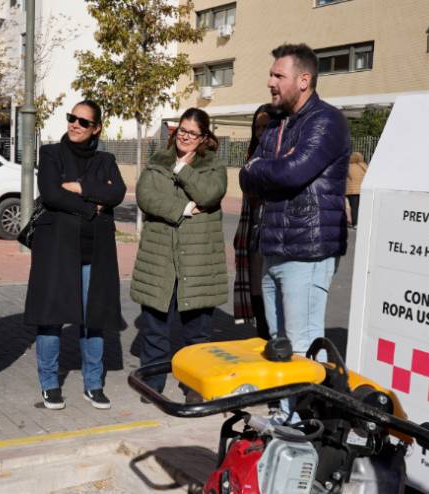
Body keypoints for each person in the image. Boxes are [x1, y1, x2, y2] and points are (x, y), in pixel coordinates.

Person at [240, 43, 350, 357]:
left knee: (304, 346)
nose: (270, 82)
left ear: (304, 80)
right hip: (272, 249)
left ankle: (309, 392)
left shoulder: (326, 120)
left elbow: (292, 173)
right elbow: (246, 177)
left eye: (278, 76)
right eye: (270, 75)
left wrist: (262, 168)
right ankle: (288, 394)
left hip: (306, 252)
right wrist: (266, 167)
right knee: (278, 345)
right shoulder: (276, 124)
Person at [24, 100, 126, 411]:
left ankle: (93, 384)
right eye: (72, 118)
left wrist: (80, 187)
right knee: (51, 317)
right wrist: (93, 205)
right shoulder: (51, 153)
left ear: (96, 128)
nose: (75, 124)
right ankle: (50, 384)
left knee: (93, 318)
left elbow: (117, 193)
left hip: (94, 250)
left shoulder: (106, 159)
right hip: (56, 248)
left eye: (83, 121)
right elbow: (52, 194)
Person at [131, 107, 228, 398]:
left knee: (197, 332)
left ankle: (194, 385)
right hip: (159, 259)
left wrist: (183, 170)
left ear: (204, 137)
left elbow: (209, 194)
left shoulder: (213, 167)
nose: (185, 137)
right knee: (155, 328)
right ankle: (153, 383)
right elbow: (145, 197)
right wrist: (184, 209)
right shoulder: (157, 162)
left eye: (192, 133)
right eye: (181, 130)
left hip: (198, 263)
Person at [233, 104, 278, 340]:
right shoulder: (251, 156)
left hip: (274, 236)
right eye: (257, 128)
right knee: (257, 293)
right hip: (252, 235)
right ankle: (263, 339)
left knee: (273, 295)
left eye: (265, 127)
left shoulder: (283, 155)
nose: (260, 133)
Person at [345, 151, 368, 228]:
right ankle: (361, 222)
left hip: (352, 190)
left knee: (353, 207)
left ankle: (355, 223)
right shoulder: (364, 166)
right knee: (360, 206)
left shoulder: (349, 166)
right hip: (362, 189)